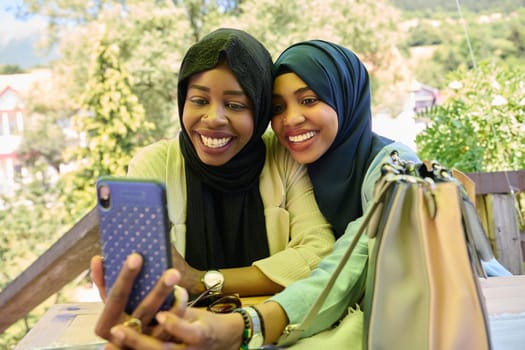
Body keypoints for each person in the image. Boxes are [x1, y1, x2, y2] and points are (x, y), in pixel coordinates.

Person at [94, 39, 418, 349]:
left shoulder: (393, 168)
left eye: (309, 100)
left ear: (346, 97)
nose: (290, 119)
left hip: (392, 327)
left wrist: (236, 317)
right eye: (278, 107)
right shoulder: (309, 160)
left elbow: (338, 264)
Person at [91, 28, 334, 304]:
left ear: (261, 107)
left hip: (266, 332)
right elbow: (143, 272)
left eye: (235, 104)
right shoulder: (155, 165)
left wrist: (200, 280)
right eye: (199, 100)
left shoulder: (282, 157)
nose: (214, 118)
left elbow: (319, 254)